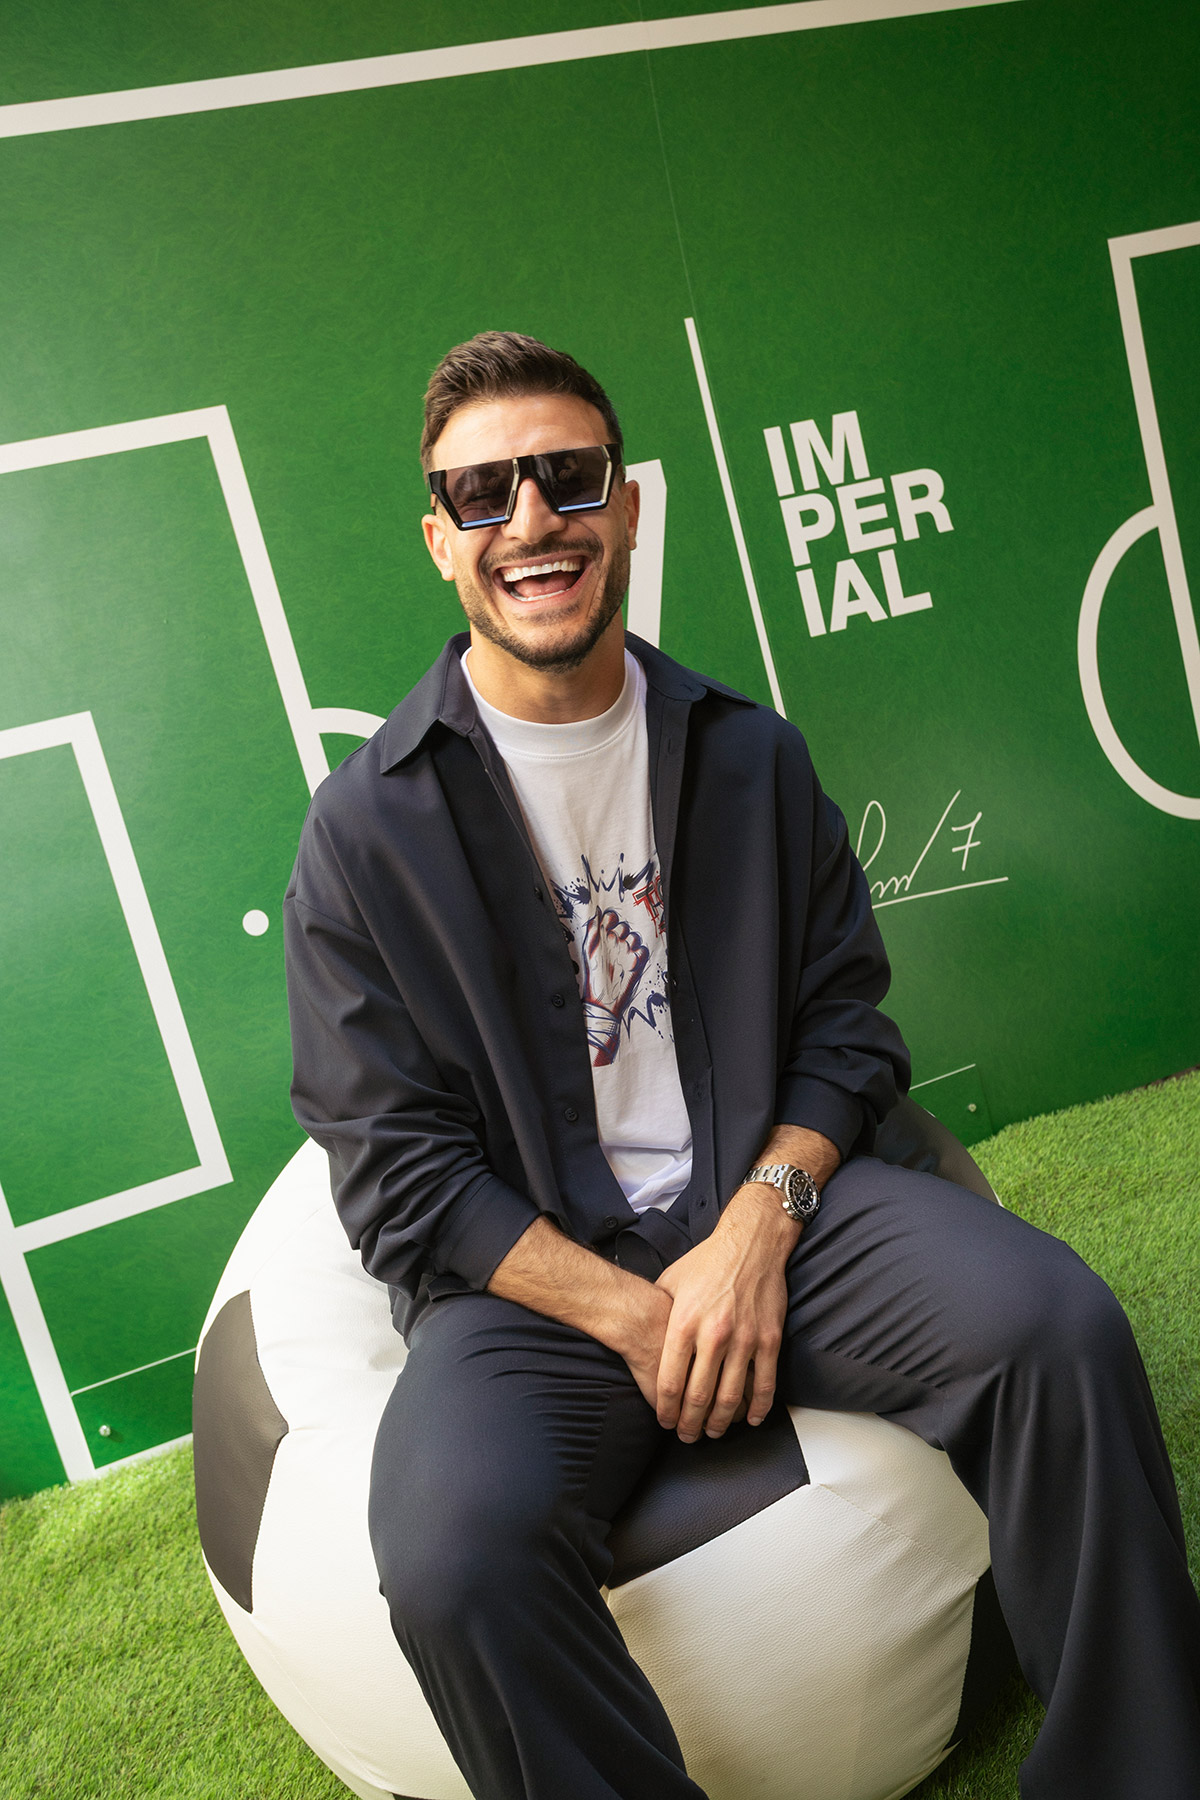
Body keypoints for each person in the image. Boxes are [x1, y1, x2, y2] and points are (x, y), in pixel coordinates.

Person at [284, 331, 1200, 1800]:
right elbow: (397, 1174)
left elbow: (848, 1029)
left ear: (626, 508)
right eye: (485, 494)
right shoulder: (364, 831)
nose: (532, 521)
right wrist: (642, 1318)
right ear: (440, 539)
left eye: (566, 479)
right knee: (452, 1557)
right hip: (538, 1286)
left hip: (780, 1220)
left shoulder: (752, 758)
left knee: (1060, 1329)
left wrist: (752, 1234)